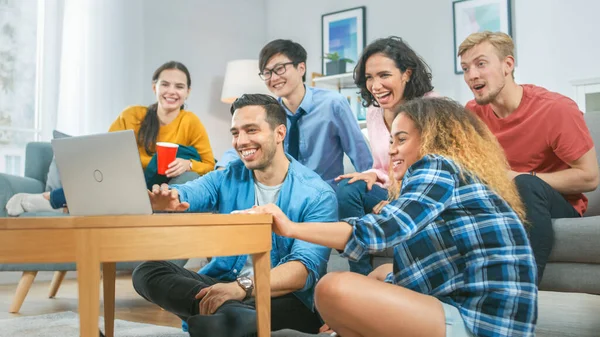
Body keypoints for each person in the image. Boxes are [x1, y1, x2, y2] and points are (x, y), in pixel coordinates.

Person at [252, 98, 538, 337]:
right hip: (479, 316)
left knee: (332, 287)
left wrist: (290, 227)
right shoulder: (458, 179)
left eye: (401, 139)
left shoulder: (437, 165)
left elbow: (378, 232)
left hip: (481, 325)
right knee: (380, 274)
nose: (391, 150)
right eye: (390, 140)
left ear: (434, 138)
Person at [132, 94, 337, 337]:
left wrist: (241, 288)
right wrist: (170, 197)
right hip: (226, 286)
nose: (241, 141)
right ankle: (231, 317)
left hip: (282, 298)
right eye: (236, 133)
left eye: (251, 130)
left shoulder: (317, 194)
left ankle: (224, 317)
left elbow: (303, 270)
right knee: (147, 271)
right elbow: (190, 191)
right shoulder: (229, 176)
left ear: (279, 133)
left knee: (264, 306)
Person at [459, 31, 599, 283]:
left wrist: (521, 177)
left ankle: (521, 291)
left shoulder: (555, 109)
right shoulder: (472, 113)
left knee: (524, 184)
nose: (472, 75)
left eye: (481, 64)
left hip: (556, 204)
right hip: (502, 201)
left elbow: (589, 178)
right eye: (465, 68)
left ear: (507, 65)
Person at [6, 61, 215, 216]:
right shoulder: (132, 115)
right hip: (119, 179)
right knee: (102, 181)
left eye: (179, 87)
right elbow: (105, 152)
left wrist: (188, 164)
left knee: (117, 193)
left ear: (188, 92)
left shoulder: (191, 122)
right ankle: (45, 201)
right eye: (165, 84)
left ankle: (49, 201)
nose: (171, 91)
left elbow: (209, 165)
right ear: (155, 87)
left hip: (152, 189)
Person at [333, 36, 438, 275]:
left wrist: (399, 198)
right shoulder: (374, 111)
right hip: (390, 188)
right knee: (349, 187)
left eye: (384, 75)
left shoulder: (433, 108)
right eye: (369, 77)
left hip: (422, 194)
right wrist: (371, 174)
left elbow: (438, 171)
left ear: (407, 74)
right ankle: (359, 274)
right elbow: (383, 164)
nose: (375, 85)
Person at [215, 39, 372, 188]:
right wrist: (223, 167)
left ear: (301, 68)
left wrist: (370, 188)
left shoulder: (333, 104)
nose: (274, 78)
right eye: (267, 73)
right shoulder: (270, 112)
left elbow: (361, 156)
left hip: (327, 193)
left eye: (280, 69)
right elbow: (249, 142)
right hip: (285, 195)